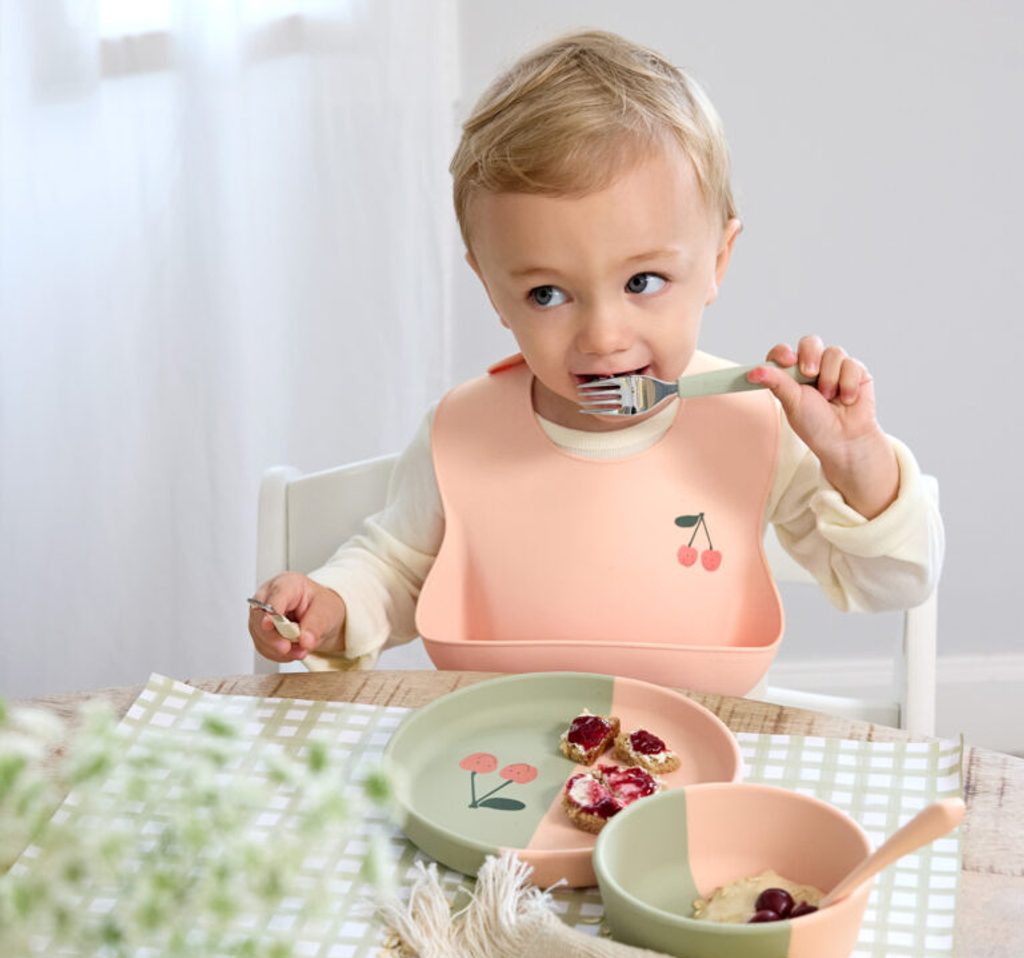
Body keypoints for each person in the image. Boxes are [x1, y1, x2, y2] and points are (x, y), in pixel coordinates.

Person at [248, 29, 943, 696]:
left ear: (717, 261)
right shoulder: (459, 432)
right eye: (547, 294)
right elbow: (399, 571)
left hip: (708, 758)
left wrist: (859, 465)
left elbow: (896, 584)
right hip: (499, 759)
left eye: (643, 281)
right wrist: (335, 604)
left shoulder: (762, 426)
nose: (604, 337)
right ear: (493, 290)